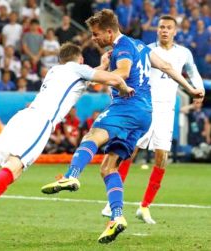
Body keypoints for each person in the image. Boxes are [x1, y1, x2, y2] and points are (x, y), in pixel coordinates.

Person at [0, 42, 133, 248]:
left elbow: (86, 79)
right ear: (80, 59)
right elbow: (112, 79)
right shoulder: (78, 69)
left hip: (23, 117)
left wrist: (102, 66)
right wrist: (124, 88)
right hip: (39, 124)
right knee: (14, 168)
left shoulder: (57, 71)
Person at [41, 10, 204, 244]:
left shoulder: (123, 47)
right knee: (108, 168)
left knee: (92, 134)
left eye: (96, 34)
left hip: (128, 106)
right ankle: (117, 217)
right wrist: (190, 88)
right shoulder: (140, 46)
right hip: (146, 114)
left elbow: (124, 72)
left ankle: (71, 175)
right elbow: (167, 66)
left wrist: (96, 72)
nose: (94, 38)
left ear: (110, 31)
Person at [100, 15, 205, 224]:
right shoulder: (146, 50)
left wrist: (199, 88)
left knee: (162, 156)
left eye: (168, 28)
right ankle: (112, 201)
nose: (164, 30)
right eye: (161, 27)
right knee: (131, 149)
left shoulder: (184, 53)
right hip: (145, 106)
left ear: (175, 31)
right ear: (157, 30)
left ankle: (145, 206)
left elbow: (193, 72)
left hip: (167, 109)